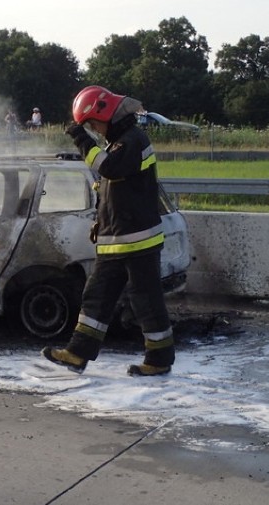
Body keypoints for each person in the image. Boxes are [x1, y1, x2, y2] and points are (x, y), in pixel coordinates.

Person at [42, 85, 175, 377]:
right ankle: (77, 353)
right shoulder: (118, 143)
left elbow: (109, 169)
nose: (93, 130)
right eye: (87, 127)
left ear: (106, 113)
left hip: (138, 242)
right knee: (96, 298)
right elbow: (113, 192)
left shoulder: (133, 141)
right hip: (116, 242)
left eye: (92, 124)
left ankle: (159, 358)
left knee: (146, 302)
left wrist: (80, 138)